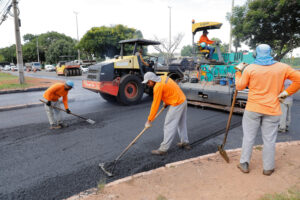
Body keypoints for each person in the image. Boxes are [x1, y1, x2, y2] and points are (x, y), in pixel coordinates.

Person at [234, 44, 300, 176]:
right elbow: (298, 80)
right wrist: (286, 93)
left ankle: (244, 163)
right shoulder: (282, 67)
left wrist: (238, 71)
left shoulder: (250, 68)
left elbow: (240, 86)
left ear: (256, 54)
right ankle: (268, 168)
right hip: (273, 109)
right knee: (269, 139)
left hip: (253, 108)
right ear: (271, 53)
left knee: (248, 137)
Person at [143, 72, 190, 155]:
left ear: (152, 80)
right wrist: (166, 102)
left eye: (148, 82)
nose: (148, 84)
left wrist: (149, 120)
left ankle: (163, 149)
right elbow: (170, 89)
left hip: (177, 103)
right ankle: (185, 142)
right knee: (181, 123)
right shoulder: (163, 77)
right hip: (183, 100)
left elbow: (155, 105)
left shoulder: (157, 87)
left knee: (169, 125)